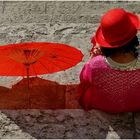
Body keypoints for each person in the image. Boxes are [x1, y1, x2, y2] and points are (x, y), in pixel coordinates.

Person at [77, 8, 140, 113]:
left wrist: (92, 57)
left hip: (104, 104)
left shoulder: (95, 64)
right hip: (136, 103)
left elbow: (83, 79)